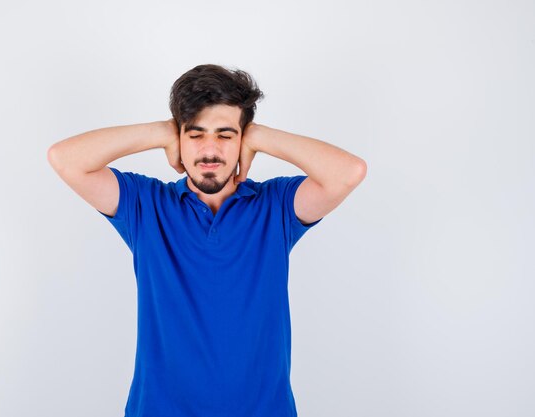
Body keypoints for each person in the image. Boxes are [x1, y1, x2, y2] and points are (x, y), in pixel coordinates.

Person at [47, 64, 367, 417]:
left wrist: (260, 136)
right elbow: (65, 159)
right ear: (179, 139)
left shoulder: (275, 207)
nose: (210, 150)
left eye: (226, 135)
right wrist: (161, 131)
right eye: (195, 134)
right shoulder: (146, 205)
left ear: (243, 141)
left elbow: (348, 173)